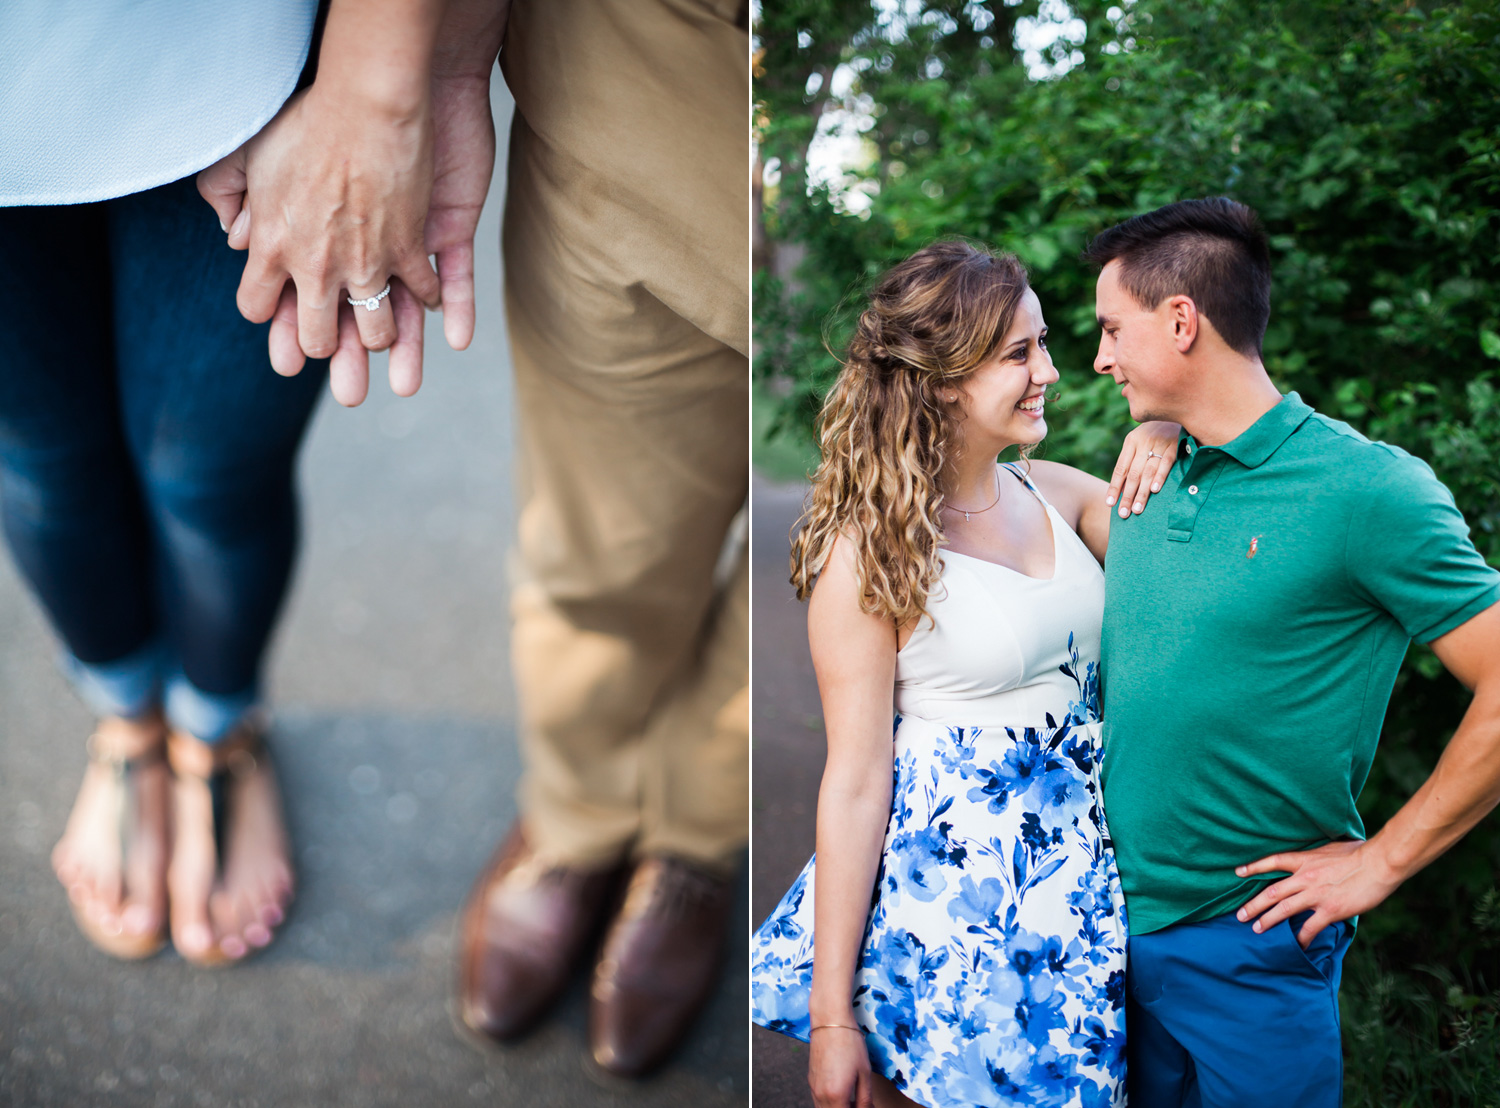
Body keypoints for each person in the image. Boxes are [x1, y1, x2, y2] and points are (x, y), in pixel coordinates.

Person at [202, 0, 750, 1075]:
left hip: (887, 235)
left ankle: (694, 830)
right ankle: (580, 813)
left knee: (816, 586)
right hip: (649, 102)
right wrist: (424, 66)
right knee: (602, 548)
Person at [1089, 197, 1500, 1107]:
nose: (1100, 358)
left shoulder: (1369, 490)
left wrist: (1384, 860)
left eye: (1113, 329)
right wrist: (1161, 427)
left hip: (1250, 944)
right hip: (1104, 937)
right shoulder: (1148, 474)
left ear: (1182, 321)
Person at [749, 240, 1179, 1108]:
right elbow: (856, 780)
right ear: (943, 378)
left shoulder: (1055, 492)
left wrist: (1170, 427)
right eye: (1020, 353)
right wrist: (833, 1020)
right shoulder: (869, 552)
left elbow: (1197, 547)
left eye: (1045, 344)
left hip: (1082, 896)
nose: (1050, 371)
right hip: (945, 909)